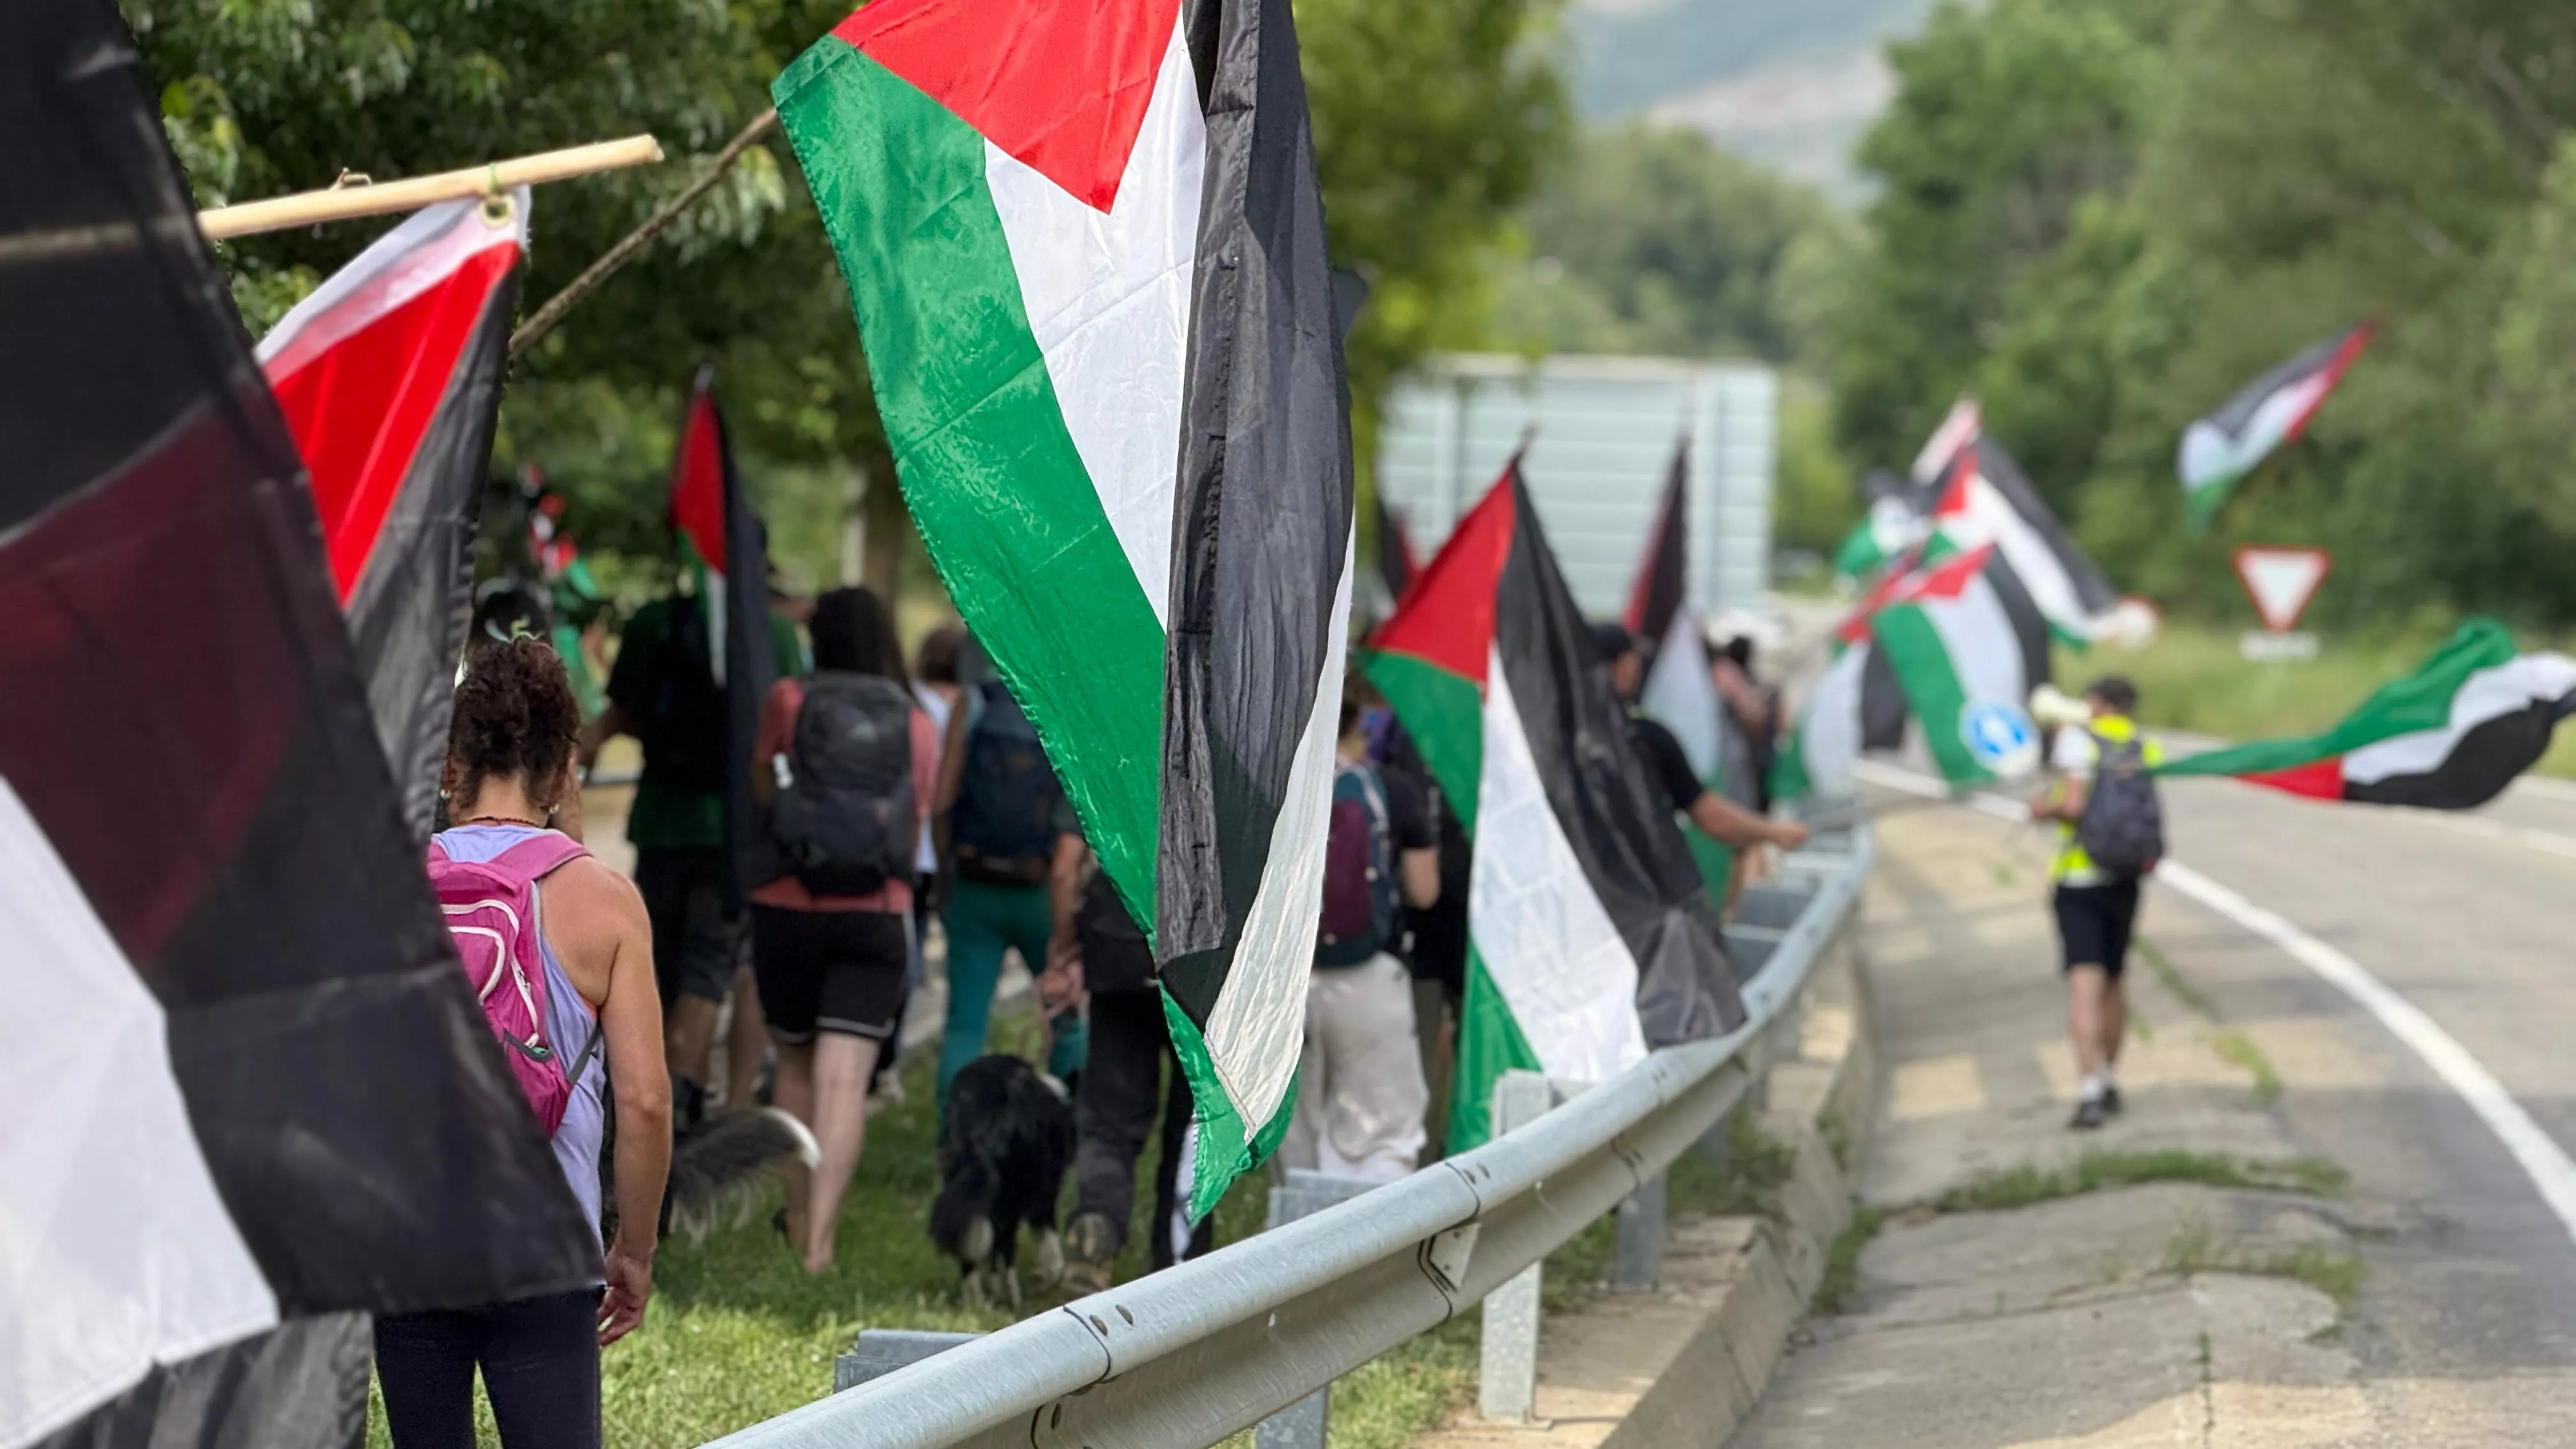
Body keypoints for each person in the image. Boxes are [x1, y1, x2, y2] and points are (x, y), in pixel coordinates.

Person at [376, 638, 670, 1449]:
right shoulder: (606, 904)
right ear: (563, 773)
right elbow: (645, 1102)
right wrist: (633, 1251)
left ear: (448, 767)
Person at [747, 586, 939, 1274]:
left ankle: (795, 1222)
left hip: (789, 908)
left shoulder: (789, 700)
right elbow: (914, 817)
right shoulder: (915, 721)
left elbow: (763, 783)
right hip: (875, 913)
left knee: (794, 1070)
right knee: (845, 1082)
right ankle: (821, 1248)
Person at [582, 579, 803, 1128]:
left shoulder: (654, 620)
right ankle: (678, 1106)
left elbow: (624, 713)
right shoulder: (774, 630)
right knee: (708, 971)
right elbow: (788, 730)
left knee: (657, 969)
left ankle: (655, 1104)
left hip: (661, 822)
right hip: (733, 831)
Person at [1281, 684, 1442, 1182]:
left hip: (1289, 987)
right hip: (1372, 980)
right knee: (1383, 1134)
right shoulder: (1391, 788)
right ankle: (1374, 1251)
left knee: (1300, 1141)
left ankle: (1302, 1254)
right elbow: (1424, 891)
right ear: (1359, 725)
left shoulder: (1275, 782)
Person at [1052, 838, 1213, 1292]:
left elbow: (1066, 865)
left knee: (1109, 1117)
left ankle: (1097, 1222)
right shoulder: (1230, 764)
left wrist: (1065, 952)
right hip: (1202, 953)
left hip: (1118, 944)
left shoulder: (1120, 761)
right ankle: (1179, 1261)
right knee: (1194, 1125)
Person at [932, 657, 1086, 1105]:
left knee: (965, 1023)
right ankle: (1064, 1131)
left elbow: (942, 802)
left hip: (974, 884)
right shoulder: (1068, 704)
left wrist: (946, 868)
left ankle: (955, 1147)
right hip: (1042, 894)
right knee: (1067, 1018)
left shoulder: (977, 700)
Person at [2028, 676, 2161, 1131]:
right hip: (2125, 875)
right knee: (2115, 981)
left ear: (2097, 702)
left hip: (2080, 876)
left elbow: (2073, 805)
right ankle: (2110, 1078)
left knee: (2084, 983)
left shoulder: (2076, 740)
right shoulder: (2144, 745)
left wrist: (2042, 809)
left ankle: (2088, 1088)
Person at [1595, 622, 1809, 859]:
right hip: (1629, 883)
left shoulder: (1559, 734)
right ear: (1625, 665)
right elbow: (1711, 817)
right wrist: (1775, 833)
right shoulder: (1644, 737)